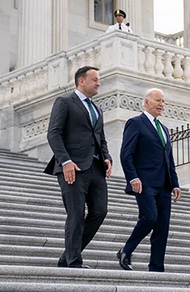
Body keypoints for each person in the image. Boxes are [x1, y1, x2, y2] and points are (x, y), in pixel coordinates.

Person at [44, 66, 112, 268]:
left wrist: (106, 157)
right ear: (81, 81)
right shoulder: (64, 102)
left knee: (100, 211)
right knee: (76, 213)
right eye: (95, 79)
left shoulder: (97, 109)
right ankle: (73, 260)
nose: (99, 83)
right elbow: (53, 133)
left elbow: (100, 137)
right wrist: (65, 161)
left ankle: (68, 255)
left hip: (96, 167)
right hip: (72, 167)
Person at [116, 88, 181, 272]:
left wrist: (175, 184)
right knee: (150, 217)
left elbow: (169, 159)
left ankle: (156, 267)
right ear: (146, 102)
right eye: (158, 100)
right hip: (144, 181)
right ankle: (126, 250)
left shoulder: (164, 129)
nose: (162, 104)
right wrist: (132, 177)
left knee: (162, 227)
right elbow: (126, 154)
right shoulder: (135, 123)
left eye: (163, 101)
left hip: (164, 184)